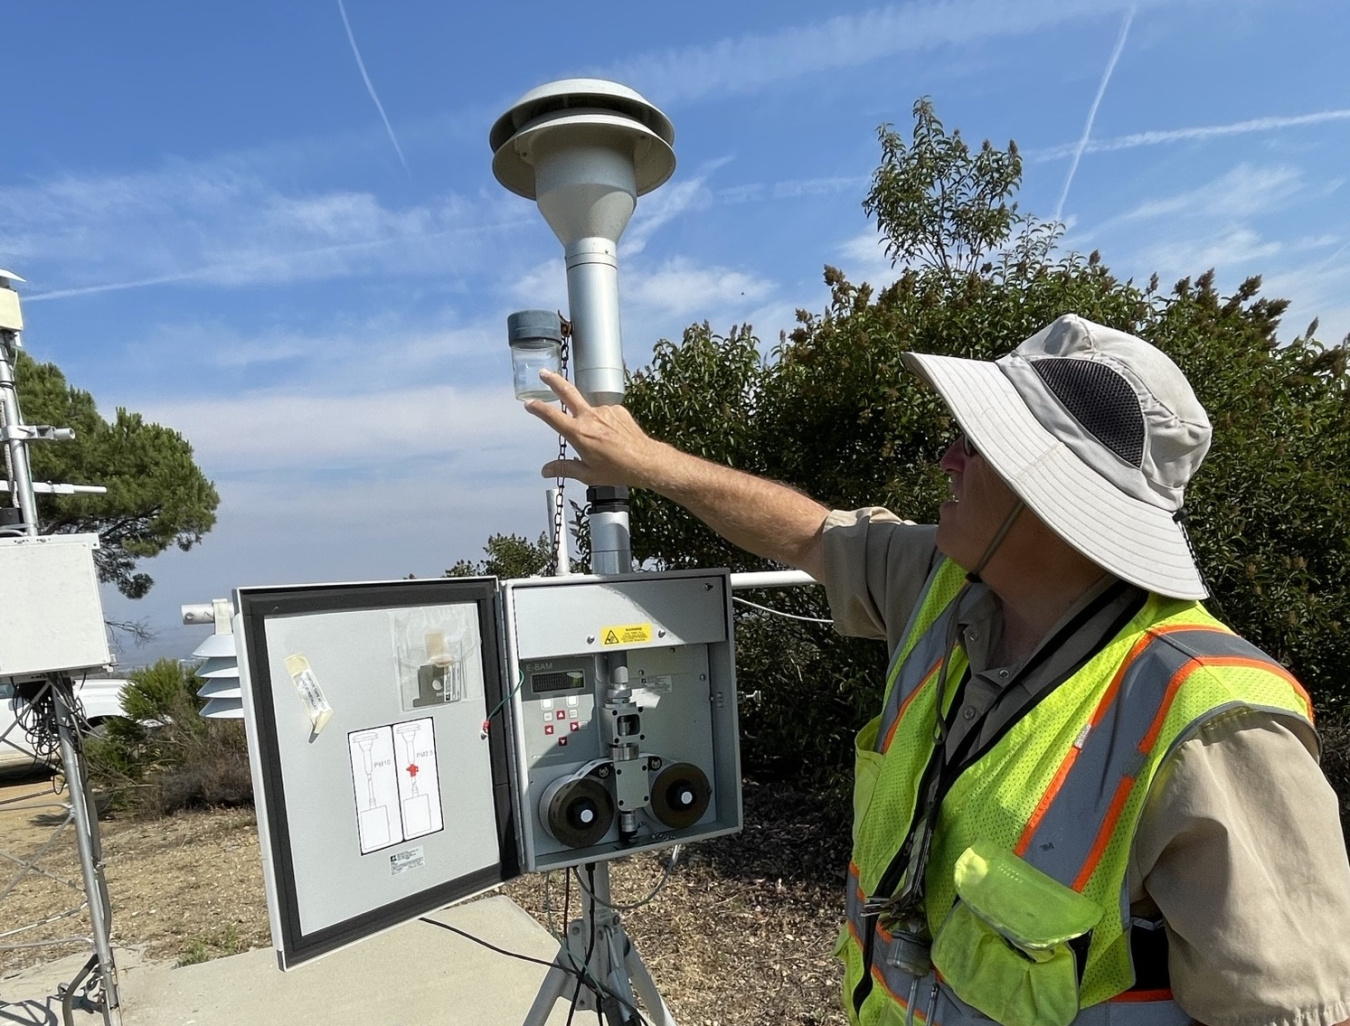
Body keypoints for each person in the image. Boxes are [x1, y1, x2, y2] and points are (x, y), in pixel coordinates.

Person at [525, 313, 1350, 1026]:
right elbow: (810, 534)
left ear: (1055, 495)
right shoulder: (944, 583)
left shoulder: (1214, 719)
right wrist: (652, 463)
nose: (947, 458)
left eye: (979, 443)